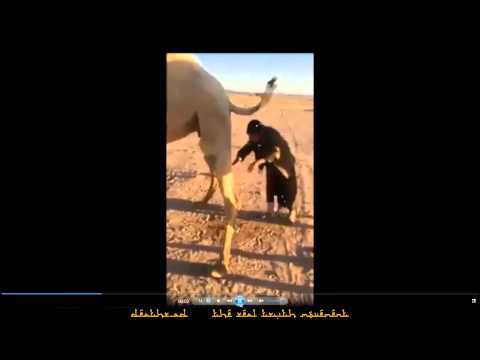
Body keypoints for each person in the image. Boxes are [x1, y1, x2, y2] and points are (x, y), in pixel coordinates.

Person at [233, 119, 297, 223]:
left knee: (285, 199)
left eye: (251, 135)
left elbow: (275, 153)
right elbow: (247, 147)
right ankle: (272, 210)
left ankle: (290, 209)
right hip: (271, 167)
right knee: (271, 188)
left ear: (258, 133)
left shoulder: (272, 135)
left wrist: (256, 163)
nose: (250, 138)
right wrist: (239, 158)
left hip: (284, 167)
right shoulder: (256, 138)